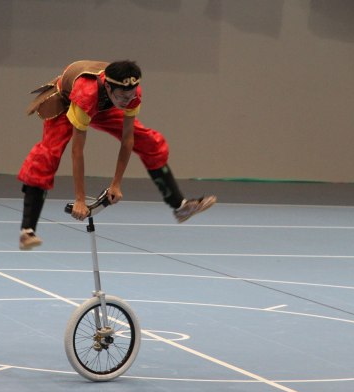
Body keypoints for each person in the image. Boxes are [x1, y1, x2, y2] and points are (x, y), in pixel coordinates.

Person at [17, 60, 216, 250]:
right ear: (109, 87)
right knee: (47, 155)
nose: (126, 101)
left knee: (149, 142)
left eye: (130, 97)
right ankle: (27, 231)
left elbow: (128, 139)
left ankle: (179, 206)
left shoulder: (130, 93)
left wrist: (116, 184)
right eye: (122, 96)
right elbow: (77, 151)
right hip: (68, 102)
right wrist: (80, 199)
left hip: (105, 105)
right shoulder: (87, 93)